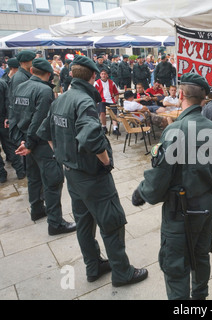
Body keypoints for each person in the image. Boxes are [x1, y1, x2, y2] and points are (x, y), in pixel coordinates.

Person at [36, 55, 148, 287]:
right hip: (92, 176)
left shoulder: (61, 99)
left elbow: (46, 133)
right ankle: (122, 272)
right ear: (93, 76)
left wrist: (62, 155)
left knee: (84, 223)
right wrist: (105, 161)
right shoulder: (84, 101)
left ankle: (93, 265)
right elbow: (91, 138)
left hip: (72, 173)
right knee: (111, 222)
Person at [131, 73, 212, 300]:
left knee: (176, 264)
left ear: (181, 95)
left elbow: (159, 176)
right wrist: (207, 193)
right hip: (204, 205)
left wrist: (142, 192)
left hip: (180, 210)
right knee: (201, 254)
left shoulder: (176, 130)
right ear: (203, 98)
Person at [11, 58, 76, 235]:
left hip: (26, 140)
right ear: (48, 75)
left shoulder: (20, 87)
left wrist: (21, 141)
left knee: (34, 177)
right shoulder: (45, 90)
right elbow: (39, 121)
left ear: (32, 71)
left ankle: (37, 209)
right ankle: (56, 223)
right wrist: (30, 143)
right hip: (40, 143)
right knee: (53, 181)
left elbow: (14, 115)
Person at [0, 77, 25, 183]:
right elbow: (8, 100)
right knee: (10, 146)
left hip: (3, 119)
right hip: (4, 119)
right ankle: (19, 171)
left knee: (10, 146)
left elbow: (8, 100)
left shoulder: (2, 83)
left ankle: (4, 174)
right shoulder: (2, 83)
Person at [94, 69, 120, 135]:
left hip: (111, 100)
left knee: (114, 113)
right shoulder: (97, 83)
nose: (103, 75)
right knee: (102, 113)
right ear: (100, 75)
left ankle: (115, 128)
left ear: (107, 75)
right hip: (101, 100)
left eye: (105, 74)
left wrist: (116, 100)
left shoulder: (112, 83)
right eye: (102, 74)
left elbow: (116, 93)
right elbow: (93, 92)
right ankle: (104, 127)